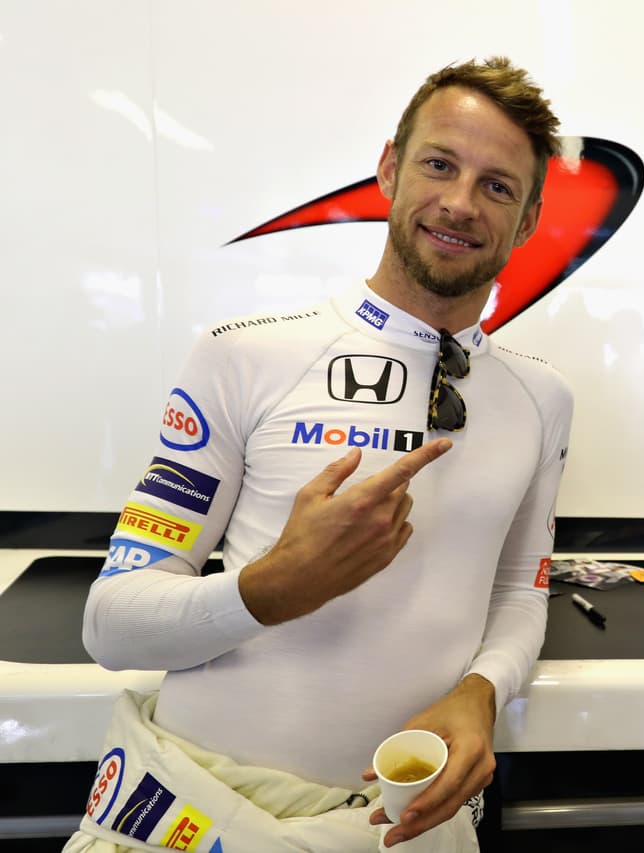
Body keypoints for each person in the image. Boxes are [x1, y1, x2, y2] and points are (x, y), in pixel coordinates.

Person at [67, 56, 572, 853]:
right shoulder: (241, 355)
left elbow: (517, 590)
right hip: (201, 810)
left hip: (401, 825)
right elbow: (111, 626)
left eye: (497, 185)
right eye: (439, 164)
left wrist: (482, 691)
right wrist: (273, 588)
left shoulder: (543, 399)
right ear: (389, 169)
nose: (459, 202)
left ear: (530, 217)